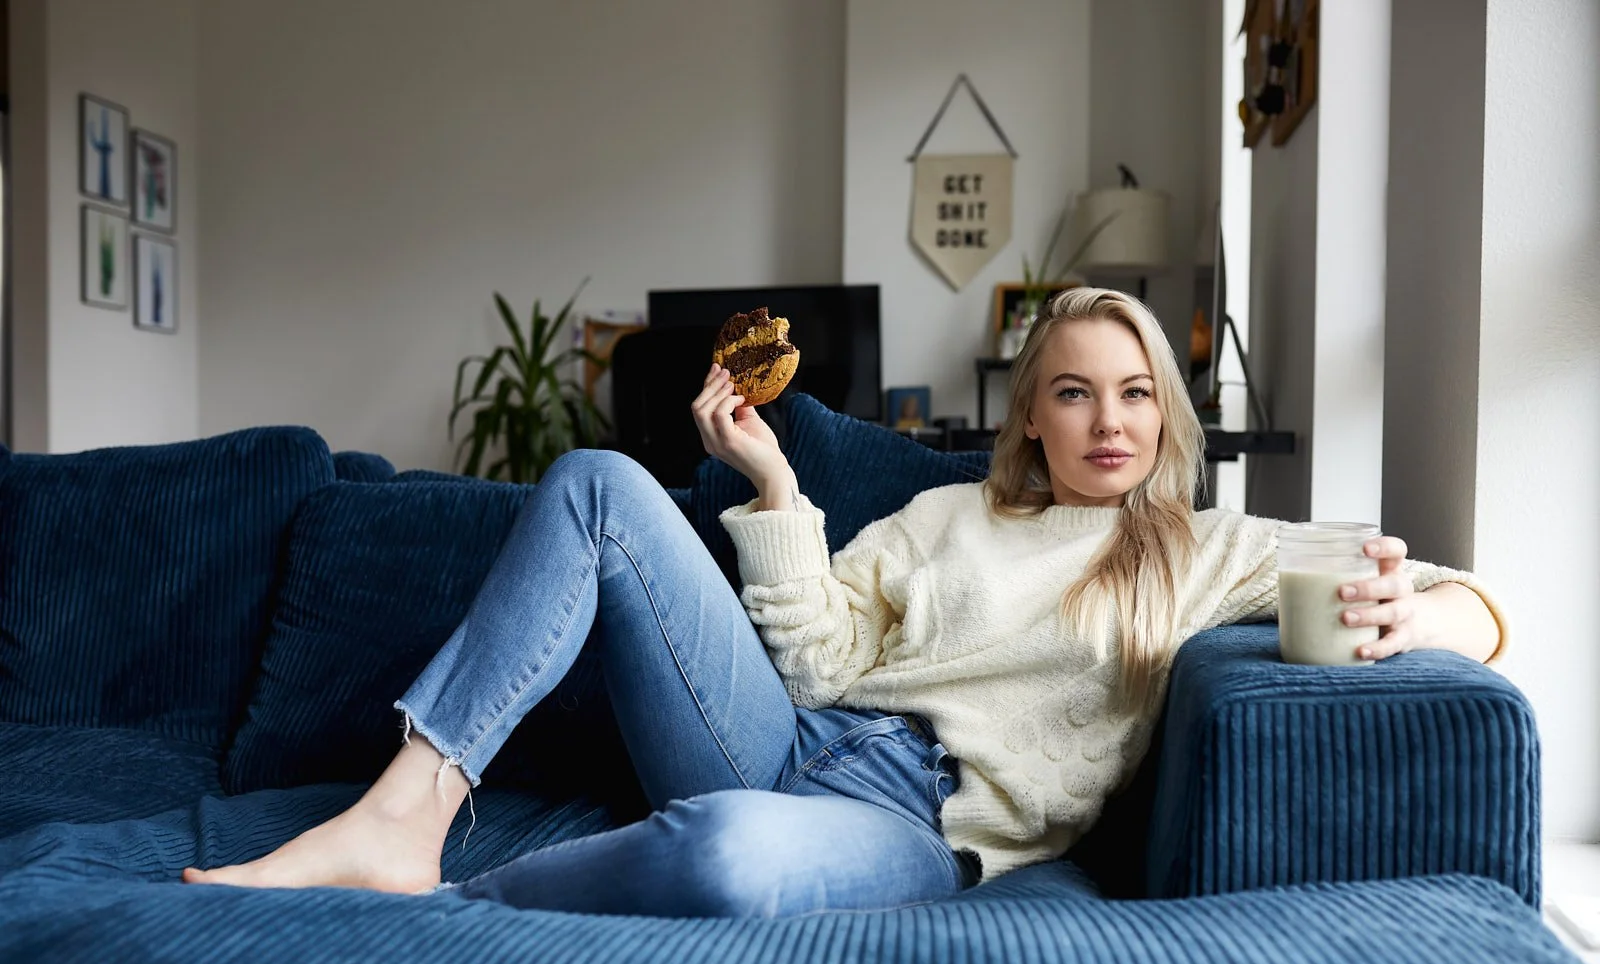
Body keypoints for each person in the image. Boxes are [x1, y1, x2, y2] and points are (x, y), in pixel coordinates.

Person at [183, 288, 1506, 917]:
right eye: (1074, 389)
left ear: (1167, 417)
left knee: (724, 857)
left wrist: (1414, 623)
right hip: (788, 733)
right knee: (593, 480)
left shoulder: (1196, 546)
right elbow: (812, 666)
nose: (1110, 418)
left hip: (922, 825)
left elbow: (1468, 598)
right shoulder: (944, 515)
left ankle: (461, 898)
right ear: (1029, 413)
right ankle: (401, 819)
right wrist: (766, 482)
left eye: (1138, 390)